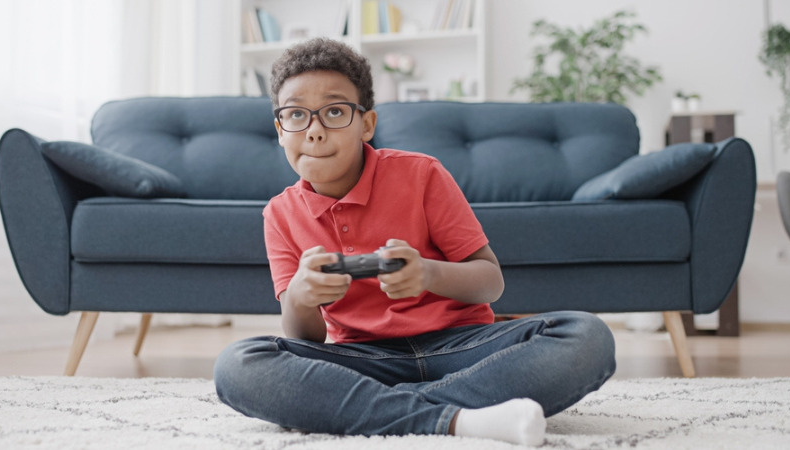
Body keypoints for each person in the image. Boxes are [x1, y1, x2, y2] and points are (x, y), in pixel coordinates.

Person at [214, 37, 616, 447]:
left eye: (335, 111)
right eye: (296, 115)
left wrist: (427, 273)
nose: (314, 131)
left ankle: (377, 410)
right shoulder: (279, 214)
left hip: (463, 348)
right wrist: (300, 295)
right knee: (238, 365)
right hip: (364, 361)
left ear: (366, 124)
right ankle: (463, 420)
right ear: (280, 130)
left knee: (586, 337)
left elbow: (490, 282)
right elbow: (307, 340)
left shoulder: (422, 174)